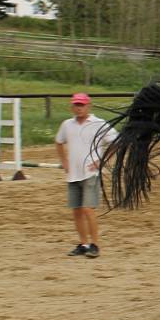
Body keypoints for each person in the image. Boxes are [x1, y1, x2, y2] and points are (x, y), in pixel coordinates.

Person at [55, 93, 117, 258]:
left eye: (81, 105)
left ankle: (95, 244)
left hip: (91, 173)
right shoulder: (67, 125)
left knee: (87, 209)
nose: (78, 107)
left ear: (88, 106)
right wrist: (64, 161)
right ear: (72, 107)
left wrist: (102, 161)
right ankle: (83, 243)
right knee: (76, 211)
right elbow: (59, 142)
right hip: (73, 174)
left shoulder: (98, 124)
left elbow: (115, 142)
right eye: (76, 105)